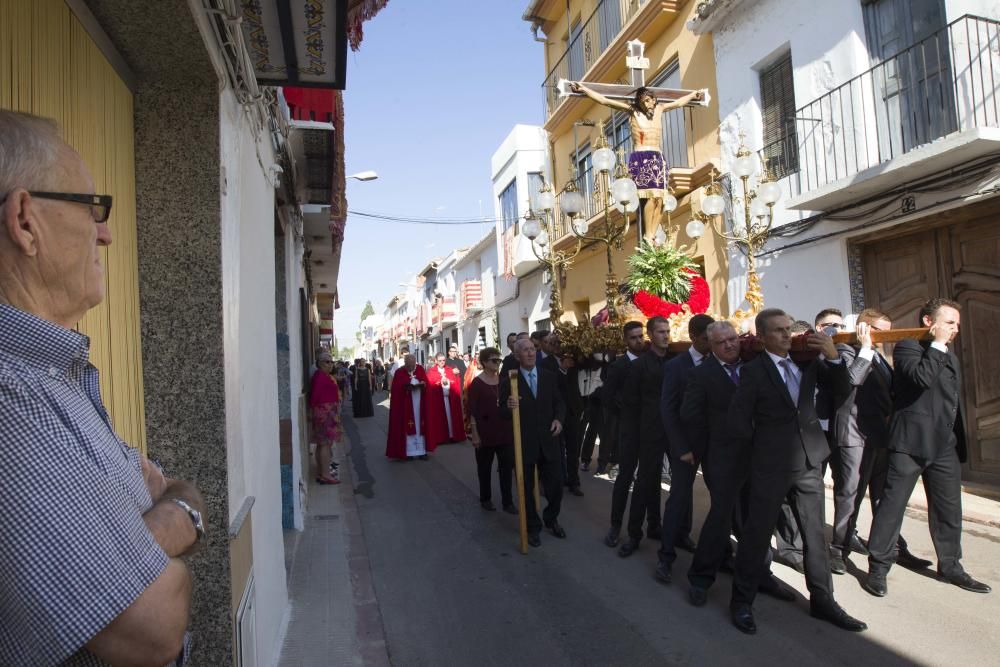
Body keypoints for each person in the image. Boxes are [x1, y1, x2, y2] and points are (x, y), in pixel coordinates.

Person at [0, 109, 205, 666]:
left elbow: (169, 488)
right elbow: (152, 623)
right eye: (93, 208)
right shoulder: (11, 396)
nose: (106, 232)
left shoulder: (53, 373)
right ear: (24, 221)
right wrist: (176, 516)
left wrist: (130, 542)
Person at [727, 308, 865, 635]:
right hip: (770, 466)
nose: (787, 335)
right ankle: (742, 601)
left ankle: (823, 600)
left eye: (788, 329)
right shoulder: (754, 371)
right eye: (778, 330)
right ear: (761, 337)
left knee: (815, 535)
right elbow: (738, 420)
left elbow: (843, 389)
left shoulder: (807, 362)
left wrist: (832, 356)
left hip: (808, 461)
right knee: (757, 535)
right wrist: (757, 456)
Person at [864, 299, 991, 597]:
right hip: (910, 442)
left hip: (944, 445)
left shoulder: (949, 355)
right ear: (928, 322)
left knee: (949, 509)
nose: (955, 329)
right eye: (949, 323)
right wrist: (936, 345)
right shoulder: (910, 347)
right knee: (892, 507)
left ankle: (951, 566)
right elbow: (921, 378)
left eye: (957, 324)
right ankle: (878, 568)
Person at [684, 321, 794, 605]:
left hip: (758, 455)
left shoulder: (753, 365)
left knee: (757, 521)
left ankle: (760, 574)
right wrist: (700, 452)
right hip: (722, 459)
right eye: (722, 343)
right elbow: (691, 416)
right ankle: (700, 578)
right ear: (711, 345)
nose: (730, 345)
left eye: (733, 339)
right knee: (720, 519)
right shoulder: (702, 375)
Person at [828, 309, 930, 574]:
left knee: (885, 497)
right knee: (850, 496)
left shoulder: (879, 354)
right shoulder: (846, 350)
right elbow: (851, 380)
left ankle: (892, 547)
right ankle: (839, 550)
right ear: (866, 328)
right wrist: (864, 348)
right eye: (880, 330)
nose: (886, 336)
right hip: (854, 435)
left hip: (881, 435)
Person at [571, 82, 704, 241]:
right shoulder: (632, 112)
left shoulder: (660, 109)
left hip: (658, 157)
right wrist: (585, 90)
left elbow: (678, 102)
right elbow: (605, 100)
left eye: (652, 99)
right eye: (646, 100)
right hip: (641, 156)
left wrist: (692, 95)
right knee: (649, 196)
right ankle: (648, 234)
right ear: (640, 101)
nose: (650, 103)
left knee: (660, 199)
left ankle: (653, 235)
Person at [653, 315, 714, 583]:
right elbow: (668, 409)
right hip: (686, 446)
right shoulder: (676, 366)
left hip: (714, 446)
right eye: (706, 339)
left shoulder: (719, 362)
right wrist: (681, 447)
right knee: (679, 498)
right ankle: (666, 556)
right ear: (694, 337)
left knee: (720, 501)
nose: (711, 343)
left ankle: (705, 546)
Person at [499, 338, 566, 547]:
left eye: (532, 349)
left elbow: (559, 403)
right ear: (517, 355)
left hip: (549, 440)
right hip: (524, 443)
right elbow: (502, 412)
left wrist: (558, 419)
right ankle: (533, 527)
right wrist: (509, 406)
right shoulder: (510, 380)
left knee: (556, 485)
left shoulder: (548, 377)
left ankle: (551, 517)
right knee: (526, 488)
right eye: (525, 350)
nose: (530, 353)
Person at [617, 316, 672, 558]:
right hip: (648, 432)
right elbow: (630, 403)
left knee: (677, 485)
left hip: (673, 432)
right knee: (644, 484)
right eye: (660, 332)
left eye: (668, 331)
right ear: (651, 335)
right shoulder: (639, 366)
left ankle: (662, 528)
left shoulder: (675, 361)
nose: (666, 335)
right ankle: (634, 534)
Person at [603, 321, 649, 547]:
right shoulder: (619, 366)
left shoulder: (653, 360)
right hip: (629, 430)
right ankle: (615, 525)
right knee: (625, 478)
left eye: (641, 336)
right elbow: (608, 398)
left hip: (651, 430)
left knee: (647, 480)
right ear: (626, 341)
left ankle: (644, 527)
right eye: (634, 337)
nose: (639, 341)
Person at [468, 348, 516, 514]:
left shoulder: (504, 381)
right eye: (494, 360)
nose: (497, 363)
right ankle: (486, 498)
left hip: (504, 431)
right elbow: (472, 411)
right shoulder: (476, 383)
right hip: (485, 432)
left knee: (506, 468)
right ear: (484, 363)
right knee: (484, 468)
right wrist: (475, 434)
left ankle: (508, 502)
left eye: (499, 360)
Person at [386, 354, 432, 460]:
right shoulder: (399, 372)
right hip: (406, 406)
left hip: (419, 404)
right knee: (408, 426)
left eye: (412, 364)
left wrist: (423, 384)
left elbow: (427, 384)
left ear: (415, 362)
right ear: (405, 363)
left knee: (421, 426)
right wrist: (405, 387)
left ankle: (422, 451)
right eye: (408, 365)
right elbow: (395, 390)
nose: (410, 367)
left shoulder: (420, 369)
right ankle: (408, 452)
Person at [310, 352, 344, 484]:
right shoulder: (320, 376)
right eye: (327, 362)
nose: (330, 364)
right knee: (324, 444)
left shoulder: (324, 375)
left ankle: (321, 472)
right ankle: (325, 474)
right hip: (324, 413)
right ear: (319, 363)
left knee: (322, 444)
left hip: (328, 412)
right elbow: (315, 395)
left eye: (331, 362)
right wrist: (312, 411)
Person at [426, 352, 465, 447]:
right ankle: (442, 437)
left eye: (443, 360)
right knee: (440, 419)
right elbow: (430, 385)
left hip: (450, 399)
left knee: (451, 418)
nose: (442, 362)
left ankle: (452, 436)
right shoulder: (431, 371)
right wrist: (440, 382)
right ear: (435, 361)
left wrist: (455, 376)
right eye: (440, 361)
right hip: (438, 400)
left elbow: (456, 382)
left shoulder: (449, 370)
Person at [577, 355, 605, 472]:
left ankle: (602, 462)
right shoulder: (587, 363)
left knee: (601, 431)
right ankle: (583, 459)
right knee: (586, 431)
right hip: (586, 398)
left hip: (600, 400)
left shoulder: (607, 361)